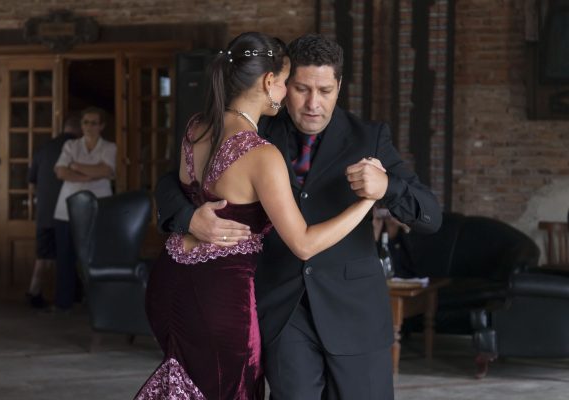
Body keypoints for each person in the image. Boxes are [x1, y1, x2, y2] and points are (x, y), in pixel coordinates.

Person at [154, 33, 442, 399]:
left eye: (324, 90)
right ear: (279, 84)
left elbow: (431, 217)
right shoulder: (257, 131)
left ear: (339, 85)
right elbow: (170, 181)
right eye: (301, 88)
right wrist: (188, 218)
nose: (312, 104)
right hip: (281, 312)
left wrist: (388, 189)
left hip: (355, 314)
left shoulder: (369, 137)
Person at [52, 107, 116, 311]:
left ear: (102, 126)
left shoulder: (109, 147)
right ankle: (64, 303)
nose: (89, 126)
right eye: (86, 122)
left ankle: (96, 303)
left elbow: (106, 169)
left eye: (94, 123)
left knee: (95, 257)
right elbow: (61, 172)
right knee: (65, 257)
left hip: (98, 209)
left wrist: (76, 167)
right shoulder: (70, 145)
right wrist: (91, 175)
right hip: (66, 210)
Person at [26, 114, 82, 309]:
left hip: (44, 213)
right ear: (79, 130)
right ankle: (72, 298)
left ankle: (34, 292)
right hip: (69, 212)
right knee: (70, 257)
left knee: (42, 257)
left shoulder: (44, 148)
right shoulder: (78, 148)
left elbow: (31, 180)